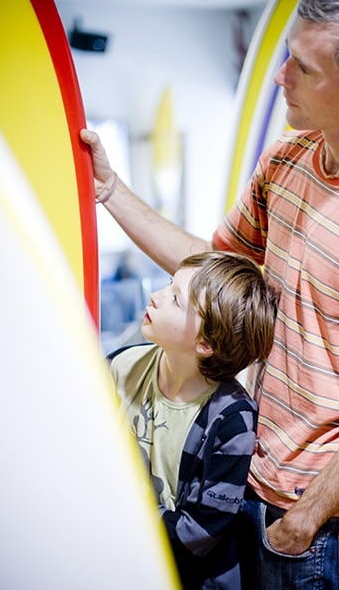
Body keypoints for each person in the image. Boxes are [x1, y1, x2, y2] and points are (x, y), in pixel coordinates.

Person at [81, 0, 339, 586]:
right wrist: (110, 190)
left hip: (314, 522)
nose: (280, 77)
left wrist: (306, 517)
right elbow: (212, 269)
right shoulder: (287, 158)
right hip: (242, 477)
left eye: (303, 67)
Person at [107, 251, 277, 590]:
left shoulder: (232, 419)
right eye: (169, 284)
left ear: (205, 343)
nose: (156, 295)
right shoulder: (120, 367)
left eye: (175, 300)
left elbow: (198, 534)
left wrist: (117, 514)